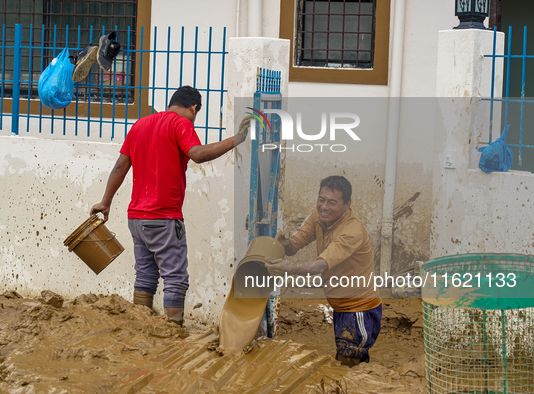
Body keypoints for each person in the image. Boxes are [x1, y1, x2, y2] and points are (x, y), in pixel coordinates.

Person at [91, 86, 250, 326]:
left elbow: (120, 167)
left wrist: (106, 202)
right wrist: (237, 139)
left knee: (145, 274)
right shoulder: (180, 124)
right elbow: (197, 154)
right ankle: (173, 330)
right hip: (163, 218)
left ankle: (139, 326)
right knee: (175, 278)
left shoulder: (140, 125)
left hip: (136, 219)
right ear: (193, 108)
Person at [265, 175, 381, 367]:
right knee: (345, 358)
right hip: (341, 306)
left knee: (350, 360)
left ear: (347, 204)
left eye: (332, 202)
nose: (324, 206)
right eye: (321, 199)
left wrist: (290, 270)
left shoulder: (352, 230)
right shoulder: (319, 216)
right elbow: (297, 242)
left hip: (359, 308)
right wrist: (286, 244)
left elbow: (322, 264)